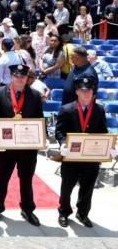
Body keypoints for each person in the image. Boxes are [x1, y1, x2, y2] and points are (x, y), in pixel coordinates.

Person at [0, 64, 44, 226]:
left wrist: (41, 137)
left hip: (27, 147)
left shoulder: (35, 95)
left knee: (26, 179)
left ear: (27, 78)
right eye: (17, 76)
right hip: (6, 147)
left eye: (23, 77)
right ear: (11, 77)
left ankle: (27, 209)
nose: (20, 79)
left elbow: (40, 121)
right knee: (2, 179)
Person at [56, 76, 113, 228]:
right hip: (71, 157)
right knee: (67, 186)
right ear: (77, 92)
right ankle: (64, 212)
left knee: (87, 188)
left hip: (91, 157)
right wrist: (62, 143)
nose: (87, 93)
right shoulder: (66, 109)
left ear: (93, 92)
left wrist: (110, 147)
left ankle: (82, 213)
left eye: (89, 91)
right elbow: (59, 131)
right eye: (83, 91)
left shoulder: (99, 110)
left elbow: (103, 132)